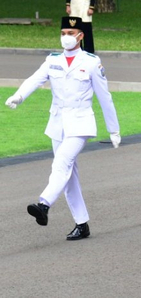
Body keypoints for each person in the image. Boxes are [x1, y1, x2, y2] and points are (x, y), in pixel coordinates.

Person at [4, 17, 121, 241]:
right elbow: (34, 80)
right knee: (69, 176)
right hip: (57, 124)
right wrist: (19, 96)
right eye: (64, 32)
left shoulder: (91, 62)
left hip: (80, 123)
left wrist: (113, 130)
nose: (66, 36)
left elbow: (105, 98)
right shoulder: (52, 60)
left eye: (71, 32)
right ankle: (82, 224)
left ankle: (44, 204)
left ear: (80, 36)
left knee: (61, 164)